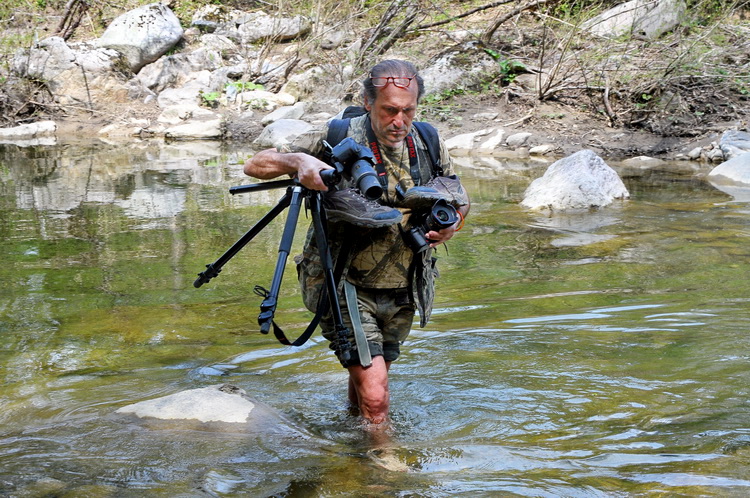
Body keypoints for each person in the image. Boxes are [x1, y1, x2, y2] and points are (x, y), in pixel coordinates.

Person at [244, 59, 470, 425]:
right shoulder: (336, 135)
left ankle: (352, 439)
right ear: (368, 103)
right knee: (377, 393)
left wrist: (453, 223)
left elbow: (458, 195)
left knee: (367, 383)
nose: (399, 121)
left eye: (408, 110)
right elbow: (255, 165)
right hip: (341, 281)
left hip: (403, 285)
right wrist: (300, 160)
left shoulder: (427, 141)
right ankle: (382, 470)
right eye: (389, 110)